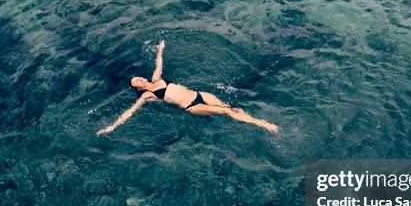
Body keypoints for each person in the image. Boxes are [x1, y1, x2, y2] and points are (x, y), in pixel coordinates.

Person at [97, 40, 279, 135]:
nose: (139, 80)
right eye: (136, 83)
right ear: (138, 89)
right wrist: (112, 126)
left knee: (230, 109)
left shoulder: (156, 78)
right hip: (192, 107)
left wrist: (160, 49)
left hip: (200, 94)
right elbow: (131, 111)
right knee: (226, 113)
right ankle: (264, 125)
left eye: (138, 78)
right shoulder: (146, 96)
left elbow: (158, 63)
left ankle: (255, 121)